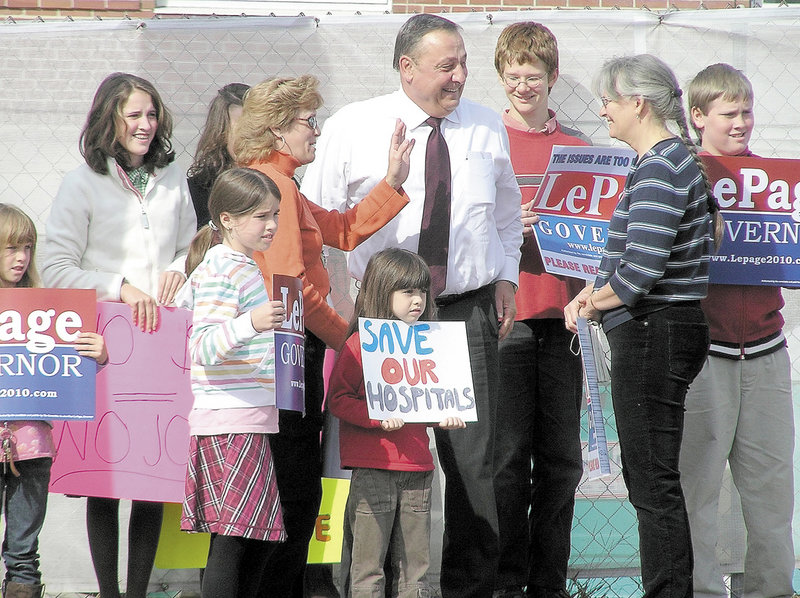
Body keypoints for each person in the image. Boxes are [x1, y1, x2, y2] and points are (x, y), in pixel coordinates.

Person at [301, 14, 522, 598]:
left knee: (473, 463)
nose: (460, 77)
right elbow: (315, 221)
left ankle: (469, 589)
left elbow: (505, 213)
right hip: (382, 321)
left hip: (465, 311)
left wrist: (505, 278)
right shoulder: (355, 125)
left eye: (463, 64)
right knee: (377, 460)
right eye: (445, 66)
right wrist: (341, 308)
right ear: (407, 67)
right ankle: (363, 585)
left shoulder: (484, 126)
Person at [233, 75, 413, 598]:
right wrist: (347, 340)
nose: (316, 130)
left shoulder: (283, 184)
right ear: (277, 130)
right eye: (308, 122)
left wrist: (392, 181)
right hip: (290, 350)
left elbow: (342, 228)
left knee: (292, 482)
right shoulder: (275, 188)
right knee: (295, 486)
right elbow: (293, 291)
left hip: (289, 346)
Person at [564, 54, 720, 598]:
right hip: (661, 327)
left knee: (651, 482)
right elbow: (630, 263)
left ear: (638, 103)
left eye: (608, 99)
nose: (602, 109)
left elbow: (639, 274)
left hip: (655, 329)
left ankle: (668, 590)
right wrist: (592, 290)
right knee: (651, 477)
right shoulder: (667, 162)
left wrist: (591, 303)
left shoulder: (659, 165)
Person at [42, 72, 196, 598]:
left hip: (159, 341)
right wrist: (121, 287)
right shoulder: (80, 183)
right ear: (109, 117)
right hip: (103, 344)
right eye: (134, 114)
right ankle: (109, 593)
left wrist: (181, 267)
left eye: (152, 114)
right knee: (104, 481)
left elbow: (190, 246)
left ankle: (137, 593)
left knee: (152, 479)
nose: (146, 125)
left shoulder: (173, 175)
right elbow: (56, 266)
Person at [678, 63, 796, 598]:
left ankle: (772, 590)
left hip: (768, 352)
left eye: (747, 111)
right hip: (706, 356)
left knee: (771, 495)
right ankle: (701, 591)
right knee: (696, 492)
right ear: (698, 116)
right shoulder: (685, 173)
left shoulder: (779, 181)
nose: (742, 122)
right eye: (729, 113)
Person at [491, 22, 588, 598]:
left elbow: (600, 239)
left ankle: (547, 584)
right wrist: (510, 225)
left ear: (552, 78)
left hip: (563, 323)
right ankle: (506, 582)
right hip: (506, 321)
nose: (523, 85)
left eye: (533, 75)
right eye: (513, 75)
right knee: (505, 462)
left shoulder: (579, 150)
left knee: (561, 464)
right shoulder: (485, 141)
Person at [327, 247, 466, 598]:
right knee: (368, 569)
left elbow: (428, 399)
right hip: (373, 469)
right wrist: (375, 418)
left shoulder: (430, 345)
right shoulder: (359, 346)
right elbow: (339, 400)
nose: (417, 300)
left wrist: (444, 415)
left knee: (415, 572)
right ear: (381, 292)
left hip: (418, 468)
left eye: (421, 291)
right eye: (407, 292)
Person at [175, 167, 287, 598]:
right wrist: (251, 323)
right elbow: (202, 347)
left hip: (247, 416)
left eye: (275, 214)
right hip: (229, 420)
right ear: (227, 219)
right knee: (234, 537)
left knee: (252, 536)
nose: (272, 225)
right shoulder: (223, 268)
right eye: (261, 217)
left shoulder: (239, 266)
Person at [0, 203, 108, 598]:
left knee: (23, 551)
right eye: (10, 248)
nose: (22, 257)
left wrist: (97, 355)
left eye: (27, 247)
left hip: (31, 444)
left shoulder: (47, 308)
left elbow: (66, 374)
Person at [187, 83, 251, 227]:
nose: (250, 135)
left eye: (256, 126)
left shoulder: (278, 182)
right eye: (242, 127)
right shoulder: (198, 192)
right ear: (221, 133)